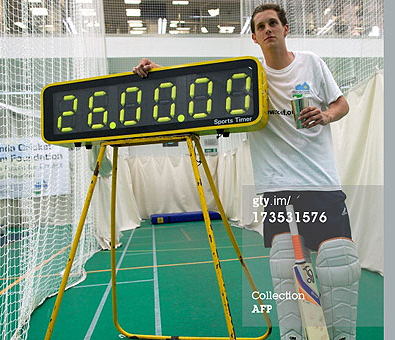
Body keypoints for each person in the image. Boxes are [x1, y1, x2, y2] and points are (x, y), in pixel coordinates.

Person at [133, 4, 360, 340]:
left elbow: (342, 103)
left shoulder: (311, 63)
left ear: (285, 29)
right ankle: (294, 336)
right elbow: (200, 84)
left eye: (273, 23)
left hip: (321, 183)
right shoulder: (250, 78)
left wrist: (327, 115)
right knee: (285, 270)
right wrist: (160, 70)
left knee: (338, 266)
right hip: (276, 188)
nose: (268, 29)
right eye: (260, 26)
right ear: (254, 37)